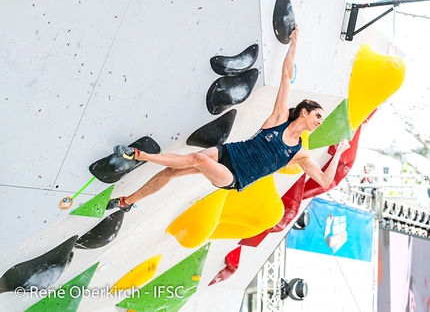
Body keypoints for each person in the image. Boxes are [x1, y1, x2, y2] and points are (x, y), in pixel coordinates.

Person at [107, 25, 350, 212]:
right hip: (230, 153)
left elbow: (325, 180)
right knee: (171, 172)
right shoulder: (279, 118)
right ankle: (126, 201)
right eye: (318, 115)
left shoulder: (300, 154)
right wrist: (294, 43)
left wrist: (337, 151)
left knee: (197, 158)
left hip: (235, 176)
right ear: (305, 111)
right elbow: (286, 76)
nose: (319, 121)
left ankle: (138, 155)